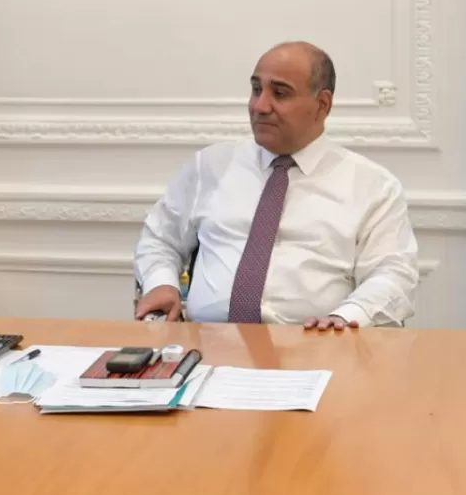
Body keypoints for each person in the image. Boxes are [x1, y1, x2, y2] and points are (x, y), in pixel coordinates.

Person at [134, 42, 419, 329]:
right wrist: (161, 284)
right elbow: (160, 239)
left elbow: (392, 273)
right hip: (207, 348)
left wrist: (346, 317)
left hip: (317, 348)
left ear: (322, 105)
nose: (260, 106)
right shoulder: (210, 166)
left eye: (280, 94)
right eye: (257, 89)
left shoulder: (373, 186)